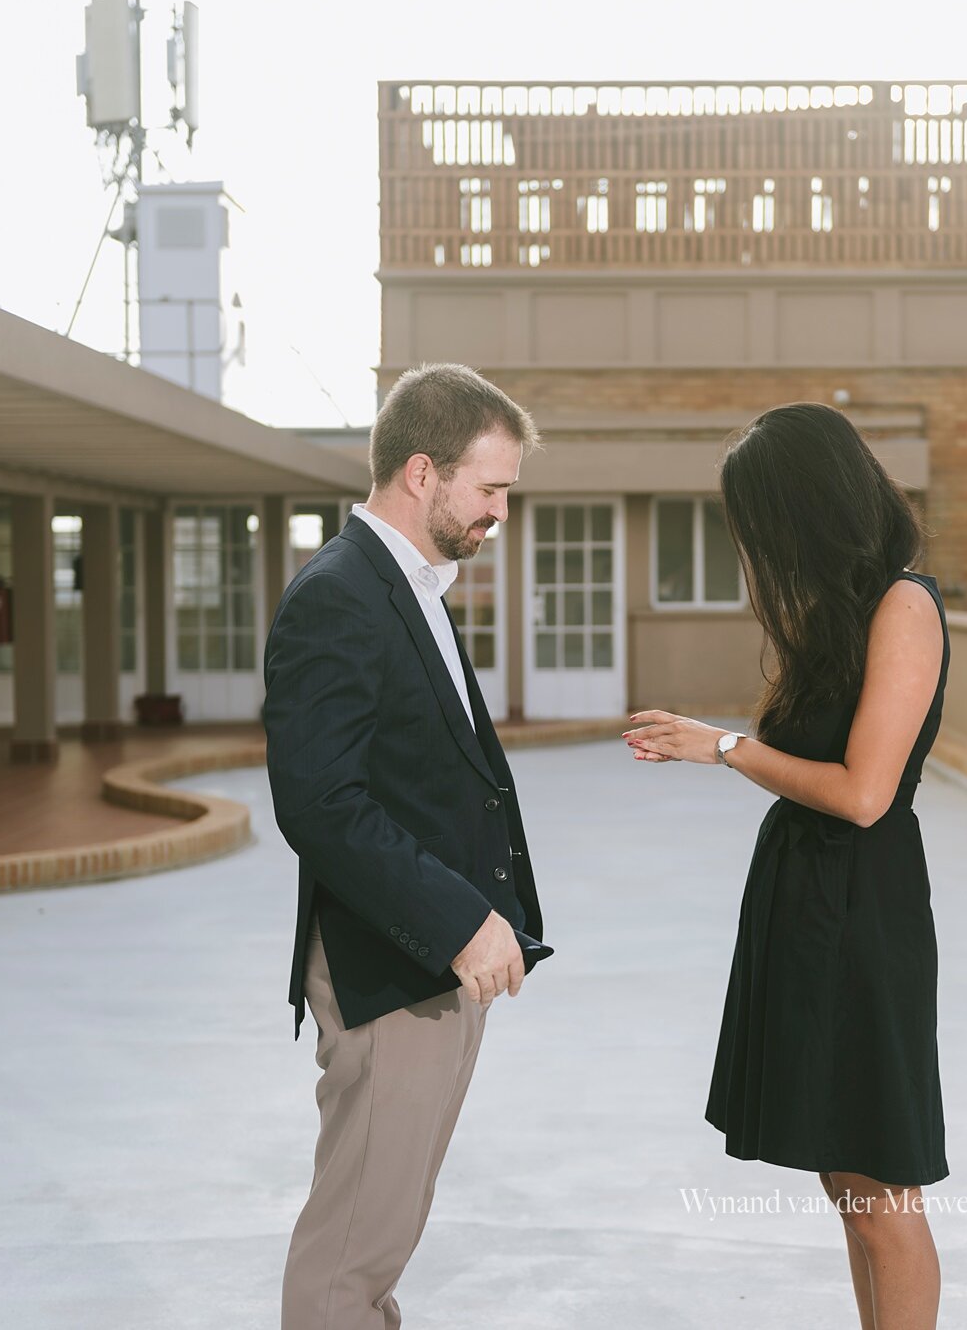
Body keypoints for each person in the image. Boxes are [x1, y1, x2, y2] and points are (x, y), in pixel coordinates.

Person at [623, 401, 950, 1330]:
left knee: (880, 1182)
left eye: (762, 524)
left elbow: (863, 793)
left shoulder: (904, 606)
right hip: (809, 906)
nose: (757, 548)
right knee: (842, 1172)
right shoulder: (837, 620)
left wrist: (719, 746)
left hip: (862, 911)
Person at [262, 362, 553, 1330]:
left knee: (378, 1253)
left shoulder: (410, 584)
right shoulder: (338, 594)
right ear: (421, 473)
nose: (498, 512)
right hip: (391, 973)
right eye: (490, 488)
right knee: (349, 1260)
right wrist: (459, 921)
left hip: (434, 975)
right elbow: (321, 804)